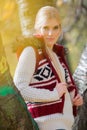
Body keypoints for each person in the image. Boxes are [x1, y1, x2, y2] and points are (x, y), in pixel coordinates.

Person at [13, 6, 83, 130]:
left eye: (55, 27)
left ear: (60, 29)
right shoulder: (31, 51)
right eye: (46, 28)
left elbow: (60, 92)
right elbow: (19, 87)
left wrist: (73, 100)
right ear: (37, 27)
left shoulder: (56, 55)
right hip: (46, 125)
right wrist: (53, 94)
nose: (51, 33)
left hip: (65, 126)